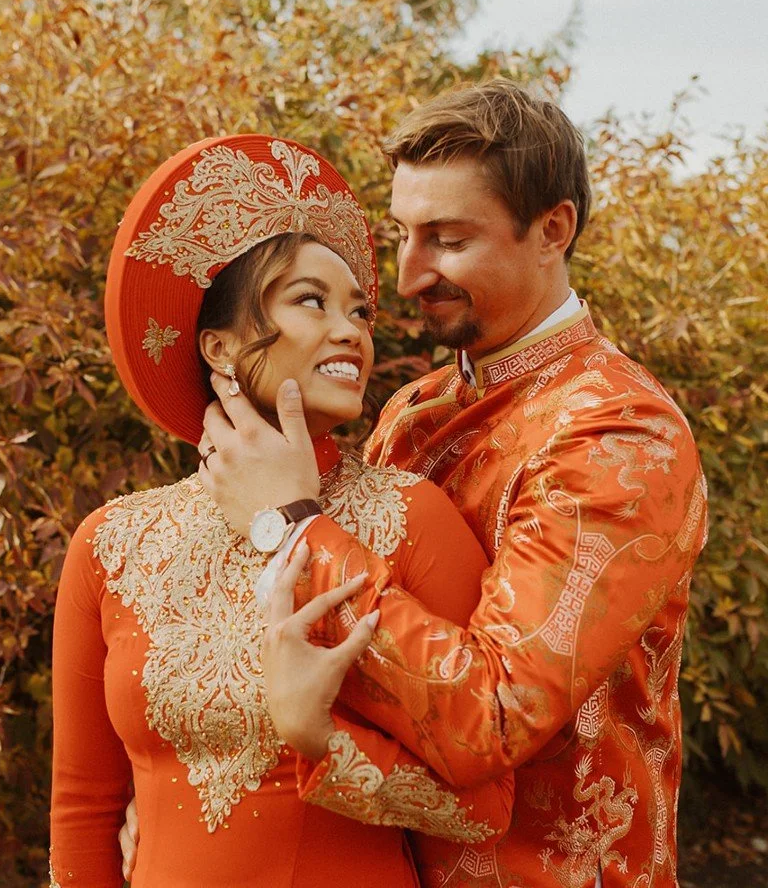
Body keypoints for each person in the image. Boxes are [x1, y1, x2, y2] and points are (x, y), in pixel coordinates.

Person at [196, 82, 709, 887]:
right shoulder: (410, 412)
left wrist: (288, 521)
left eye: (447, 239)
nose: (406, 277)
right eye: (402, 234)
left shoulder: (620, 435)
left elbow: (493, 717)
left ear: (553, 230)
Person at [49, 135, 514, 888]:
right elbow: (82, 808)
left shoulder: (413, 518)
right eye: (311, 301)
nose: (352, 330)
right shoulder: (110, 545)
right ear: (219, 346)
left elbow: (486, 809)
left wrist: (320, 737)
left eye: (359, 310)